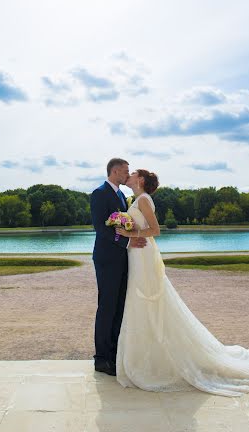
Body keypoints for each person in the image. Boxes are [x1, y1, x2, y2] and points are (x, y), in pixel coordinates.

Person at [114, 169, 249, 396]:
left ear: (140, 180)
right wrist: (127, 230)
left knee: (148, 298)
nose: (128, 176)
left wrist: (128, 233)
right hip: (138, 253)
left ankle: (158, 358)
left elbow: (155, 230)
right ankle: (146, 354)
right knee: (140, 299)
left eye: (132, 174)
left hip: (144, 253)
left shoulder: (142, 199)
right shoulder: (137, 199)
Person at [90, 158, 147, 376]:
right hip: (106, 259)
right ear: (114, 171)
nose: (127, 174)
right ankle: (101, 359)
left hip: (122, 259)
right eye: (125, 171)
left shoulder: (122, 196)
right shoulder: (99, 193)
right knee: (106, 308)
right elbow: (100, 228)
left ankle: (114, 354)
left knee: (118, 307)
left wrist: (132, 238)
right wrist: (127, 241)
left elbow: (124, 224)